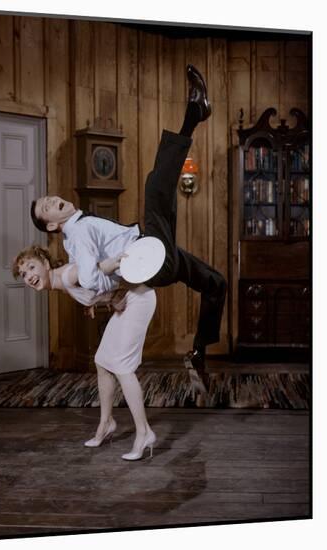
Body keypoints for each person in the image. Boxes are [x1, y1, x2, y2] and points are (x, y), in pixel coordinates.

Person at [29, 65, 227, 388]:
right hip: (147, 258)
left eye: (50, 197)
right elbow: (91, 277)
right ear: (52, 225)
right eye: (47, 207)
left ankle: (198, 354)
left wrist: (101, 299)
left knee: (215, 283)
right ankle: (194, 112)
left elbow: (83, 279)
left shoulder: (79, 229)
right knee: (154, 187)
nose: (53, 200)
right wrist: (110, 290)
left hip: (154, 255)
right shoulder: (76, 234)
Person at [12, 245, 157, 461]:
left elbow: (103, 271)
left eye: (32, 267)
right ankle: (106, 423)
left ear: (45, 263)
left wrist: (116, 292)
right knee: (102, 361)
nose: (29, 276)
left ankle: (145, 433)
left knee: (121, 365)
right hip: (127, 301)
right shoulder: (61, 281)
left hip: (138, 299)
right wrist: (98, 300)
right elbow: (97, 285)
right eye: (24, 274)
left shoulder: (69, 275)